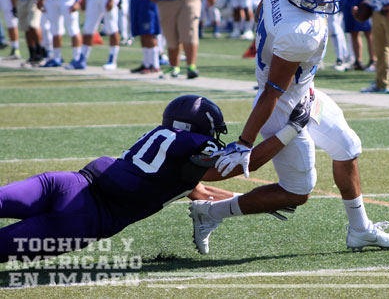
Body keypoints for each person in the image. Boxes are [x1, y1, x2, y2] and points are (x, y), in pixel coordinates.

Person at [189, 0, 389, 255]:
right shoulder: (301, 31)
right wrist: (245, 141)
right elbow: (272, 92)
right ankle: (210, 212)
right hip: (284, 104)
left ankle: (360, 230)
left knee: (347, 147)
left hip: (303, 89)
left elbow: (264, 7)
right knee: (297, 192)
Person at [0, 94, 311, 262]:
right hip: (85, 218)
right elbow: (245, 163)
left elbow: (195, 189)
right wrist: (292, 128)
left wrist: (248, 203)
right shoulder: (194, 147)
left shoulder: (161, 140)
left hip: (66, 183)